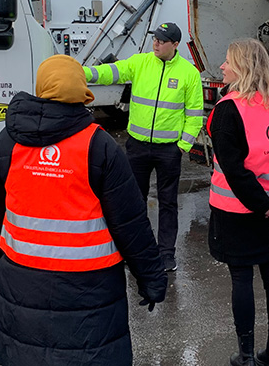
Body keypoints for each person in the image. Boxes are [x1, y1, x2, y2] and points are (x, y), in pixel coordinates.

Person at [0, 54, 167, 366]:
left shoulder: (8, 140)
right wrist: (151, 278)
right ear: (80, 92)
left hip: (20, 278)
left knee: (31, 362)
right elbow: (131, 223)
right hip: (84, 285)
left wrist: (23, 244)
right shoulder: (98, 146)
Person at [207, 39, 269, 366]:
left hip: (237, 211)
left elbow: (234, 170)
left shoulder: (227, 110)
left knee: (241, 278)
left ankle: (246, 358)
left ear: (243, 68)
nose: (222, 67)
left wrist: (265, 206)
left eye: (228, 61)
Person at [84, 22, 203, 272]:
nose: (156, 43)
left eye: (161, 40)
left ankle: (166, 254)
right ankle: (135, 250)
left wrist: (182, 146)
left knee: (168, 203)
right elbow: (111, 72)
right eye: (155, 39)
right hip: (137, 146)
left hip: (168, 151)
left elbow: (194, 114)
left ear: (175, 45)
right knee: (134, 202)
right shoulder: (140, 62)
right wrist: (81, 73)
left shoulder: (188, 73)